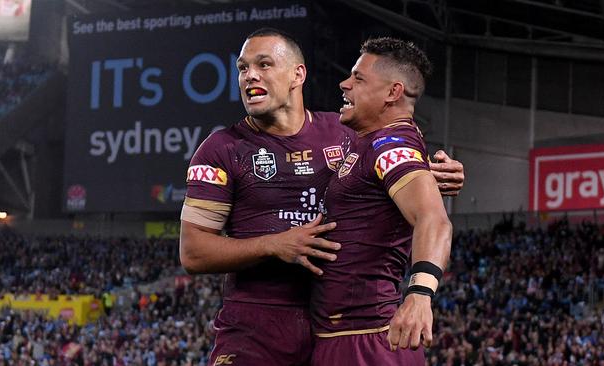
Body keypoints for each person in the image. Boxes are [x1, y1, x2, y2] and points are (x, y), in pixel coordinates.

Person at [179, 28, 463, 365]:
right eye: (242, 68)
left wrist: (429, 175)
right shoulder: (220, 149)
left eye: (264, 64)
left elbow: (385, 171)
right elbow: (194, 253)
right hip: (257, 330)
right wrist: (274, 244)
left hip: (334, 329)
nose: (250, 75)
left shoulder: (346, 133)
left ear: (298, 74)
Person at [310, 37, 452, 366]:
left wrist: (419, 293)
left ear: (392, 92)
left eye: (358, 79)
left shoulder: (390, 144)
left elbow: (434, 219)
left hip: (368, 342)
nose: (344, 84)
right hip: (344, 337)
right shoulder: (372, 142)